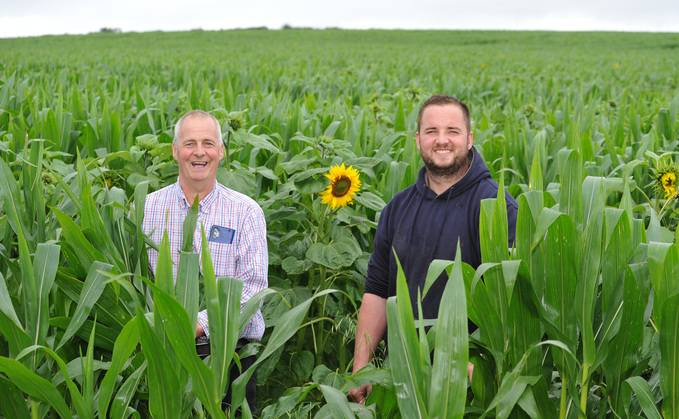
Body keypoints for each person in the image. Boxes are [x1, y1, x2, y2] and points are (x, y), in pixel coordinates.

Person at [349, 95, 518, 404]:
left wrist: (477, 370)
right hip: (403, 380)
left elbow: (513, 304)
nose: (442, 140)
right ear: (417, 140)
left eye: (452, 131)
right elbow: (376, 290)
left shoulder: (496, 208)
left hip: (470, 390)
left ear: (469, 139)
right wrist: (361, 366)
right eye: (431, 131)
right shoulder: (396, 208)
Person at [141, 110, 268, 413]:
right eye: (190, 143)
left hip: (228, 358)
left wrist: (197, 325)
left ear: (221, 152)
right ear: (175, 151)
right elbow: (136, 277)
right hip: (162, 356)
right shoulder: (148, 208)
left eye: (208, 143)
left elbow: (253, 290)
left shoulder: (245, 212)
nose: (199, 152)